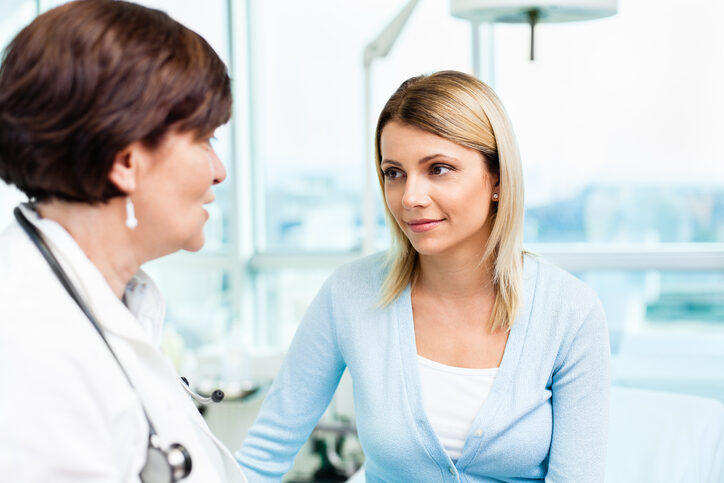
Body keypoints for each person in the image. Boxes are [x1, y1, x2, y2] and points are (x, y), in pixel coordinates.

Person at [237, 70, 610, 482]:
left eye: (439, 169)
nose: (410, 197)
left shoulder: (570, 311)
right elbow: (259, 460)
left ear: (497, 180)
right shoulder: (350, 293)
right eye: (393, 173)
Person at [0, 1, 247, 481]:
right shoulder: (28, 344)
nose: (219, 172)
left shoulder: (110, 300)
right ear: (126, 162)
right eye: (205, 140)